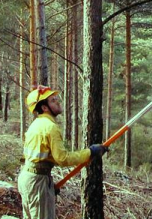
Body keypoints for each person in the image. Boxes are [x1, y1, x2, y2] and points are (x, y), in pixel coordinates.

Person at [17, 85, 108, 219]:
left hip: (29, 178)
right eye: (53, 100)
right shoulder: (50, 127)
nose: (57, 102)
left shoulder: (36, 125)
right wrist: (90, 152)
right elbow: (62, 159)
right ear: (44, 107)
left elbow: (43, 157)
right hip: (37, 181)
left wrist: (48, 184)